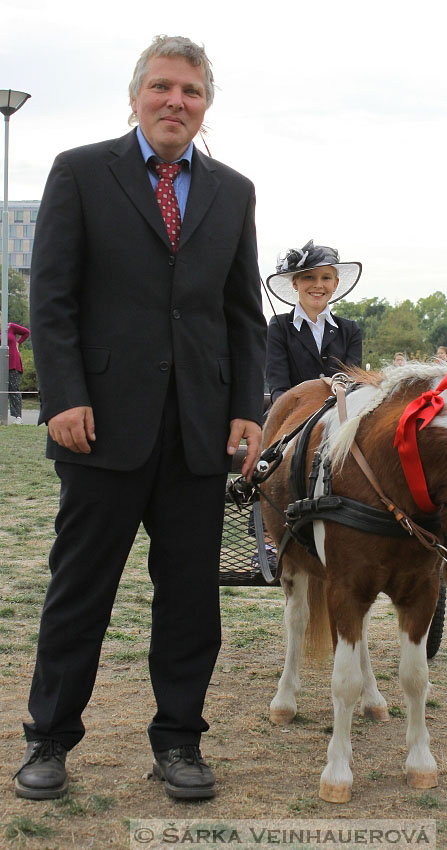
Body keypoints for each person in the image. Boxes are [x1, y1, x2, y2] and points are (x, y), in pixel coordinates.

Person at [14, 35, 266, 803]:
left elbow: (241, 315)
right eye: (161, 87)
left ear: (205, 104)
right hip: (98, 428)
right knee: (79, 591)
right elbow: (50, 298)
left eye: (189, 91)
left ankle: (179, 742)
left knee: (191, 598)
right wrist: (62, 396)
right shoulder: (82, 172)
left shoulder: (233, 190)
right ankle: (50, 740)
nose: (174, 102)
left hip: (196, 434)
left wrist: (244, 410)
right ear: (135, 96)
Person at [265, 240, 363, 402]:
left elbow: (351, 384)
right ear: (295, 283)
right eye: (309, 277)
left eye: (326, 278)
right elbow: (279, 387)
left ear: (335, 283)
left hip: (338, 417)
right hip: (290, 417)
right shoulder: (279, 326)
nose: (318, 285)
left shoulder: (350, 330)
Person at [0, 316, 29, 423]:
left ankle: (18, 417)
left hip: (13, 362)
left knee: (13, 388)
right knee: (1, 390)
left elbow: (26, 332)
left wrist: (18, 343)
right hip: (1, 365)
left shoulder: (10, 327)